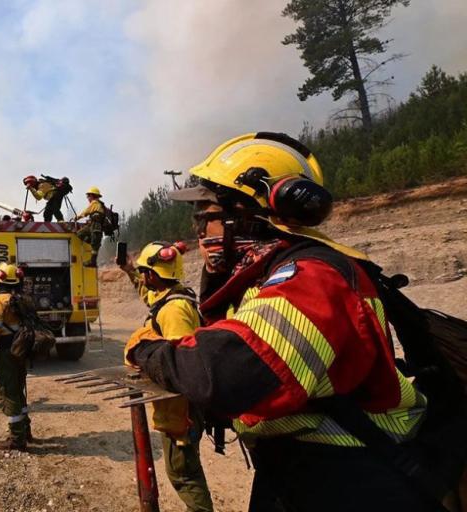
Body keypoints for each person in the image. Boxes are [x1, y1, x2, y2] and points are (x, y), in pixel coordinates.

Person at [125, 132, 437, 511]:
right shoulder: (276, 275)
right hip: (301, 467)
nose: (199, 232)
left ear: (246, 216)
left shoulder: (312, 276)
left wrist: (146, 350)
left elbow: (227, 371)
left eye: (206, 219)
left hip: (349, 477)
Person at [122, 241, 214, 512]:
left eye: (143, 272)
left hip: (180, 408)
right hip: (181, 406)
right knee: (185, 470)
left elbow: (180, 365)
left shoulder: (173, 311)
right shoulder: (172, 295)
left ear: (153, 275)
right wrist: (129, 269)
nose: (142, 277)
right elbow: (148, 296)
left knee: (183, 475)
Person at [0, 263, 34, 451]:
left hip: (7, 350)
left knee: (8, 391)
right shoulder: (22, 298)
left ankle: (17, 438)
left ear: (0, 278)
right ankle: (26, 429)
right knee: (19, 389)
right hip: (21, 349)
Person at [74, 186, 106, 267]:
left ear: (92, 196)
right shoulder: (99, 205)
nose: (87, 198)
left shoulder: (95, 203)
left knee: (95, 244)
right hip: (92, 225)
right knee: (80, 234)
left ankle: (93, 262)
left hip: (96, 226)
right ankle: (93, 243)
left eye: (88, 196)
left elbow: (86, 212)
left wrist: (77, 217)